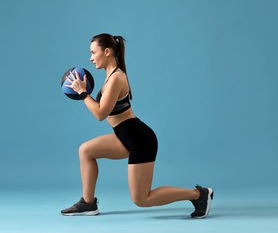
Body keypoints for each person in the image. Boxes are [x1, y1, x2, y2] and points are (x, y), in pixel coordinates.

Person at [61, 33, 213, 218]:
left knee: (142, 199)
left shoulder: (117, 78)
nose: (90, 58)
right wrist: (84, 92)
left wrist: (83, 93)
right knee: (85, 150)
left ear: (107, 51)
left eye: (93, 52)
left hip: (139, 139)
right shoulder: (110, 76)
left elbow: (101, 113)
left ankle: (198, 194)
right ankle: (88, 203)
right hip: (124, 135)